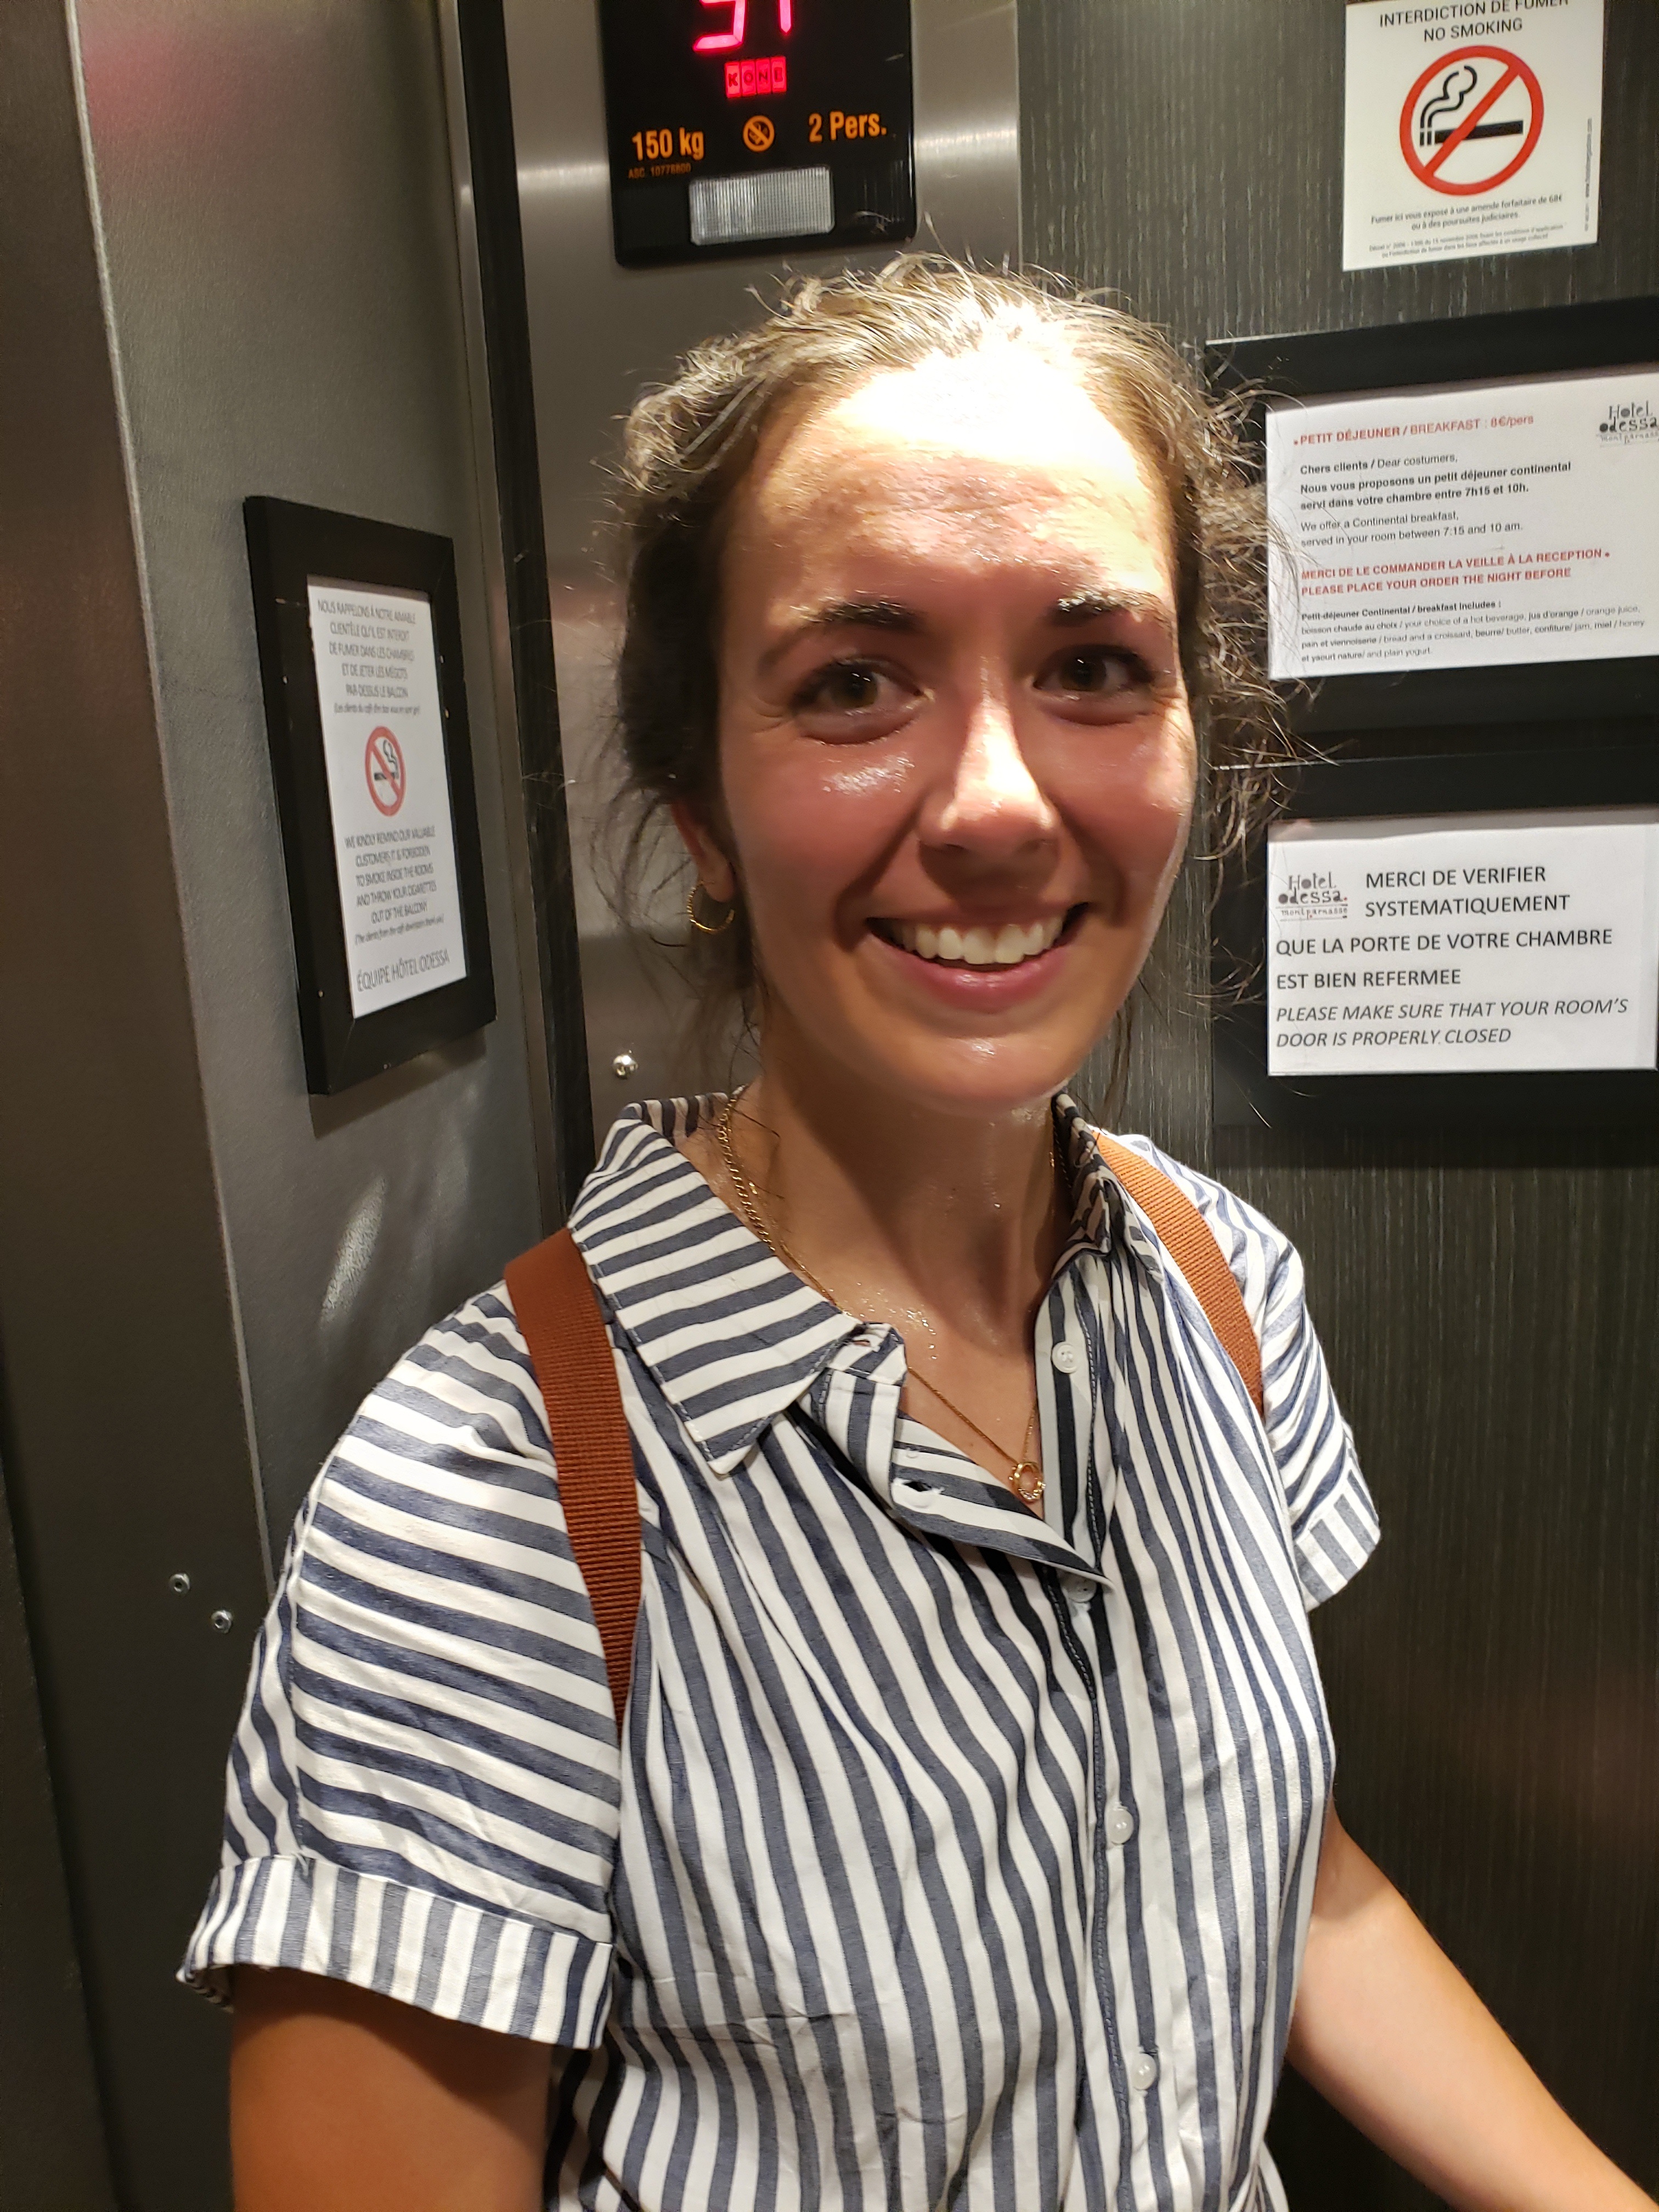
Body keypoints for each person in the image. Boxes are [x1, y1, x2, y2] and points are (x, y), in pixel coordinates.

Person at [185, 260, 1652, 2212]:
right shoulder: (478, 1521)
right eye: (853, 684)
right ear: (702, 810)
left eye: (1093, 667)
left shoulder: (1218, 1282)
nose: (995, 805)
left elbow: (1269, 1870)